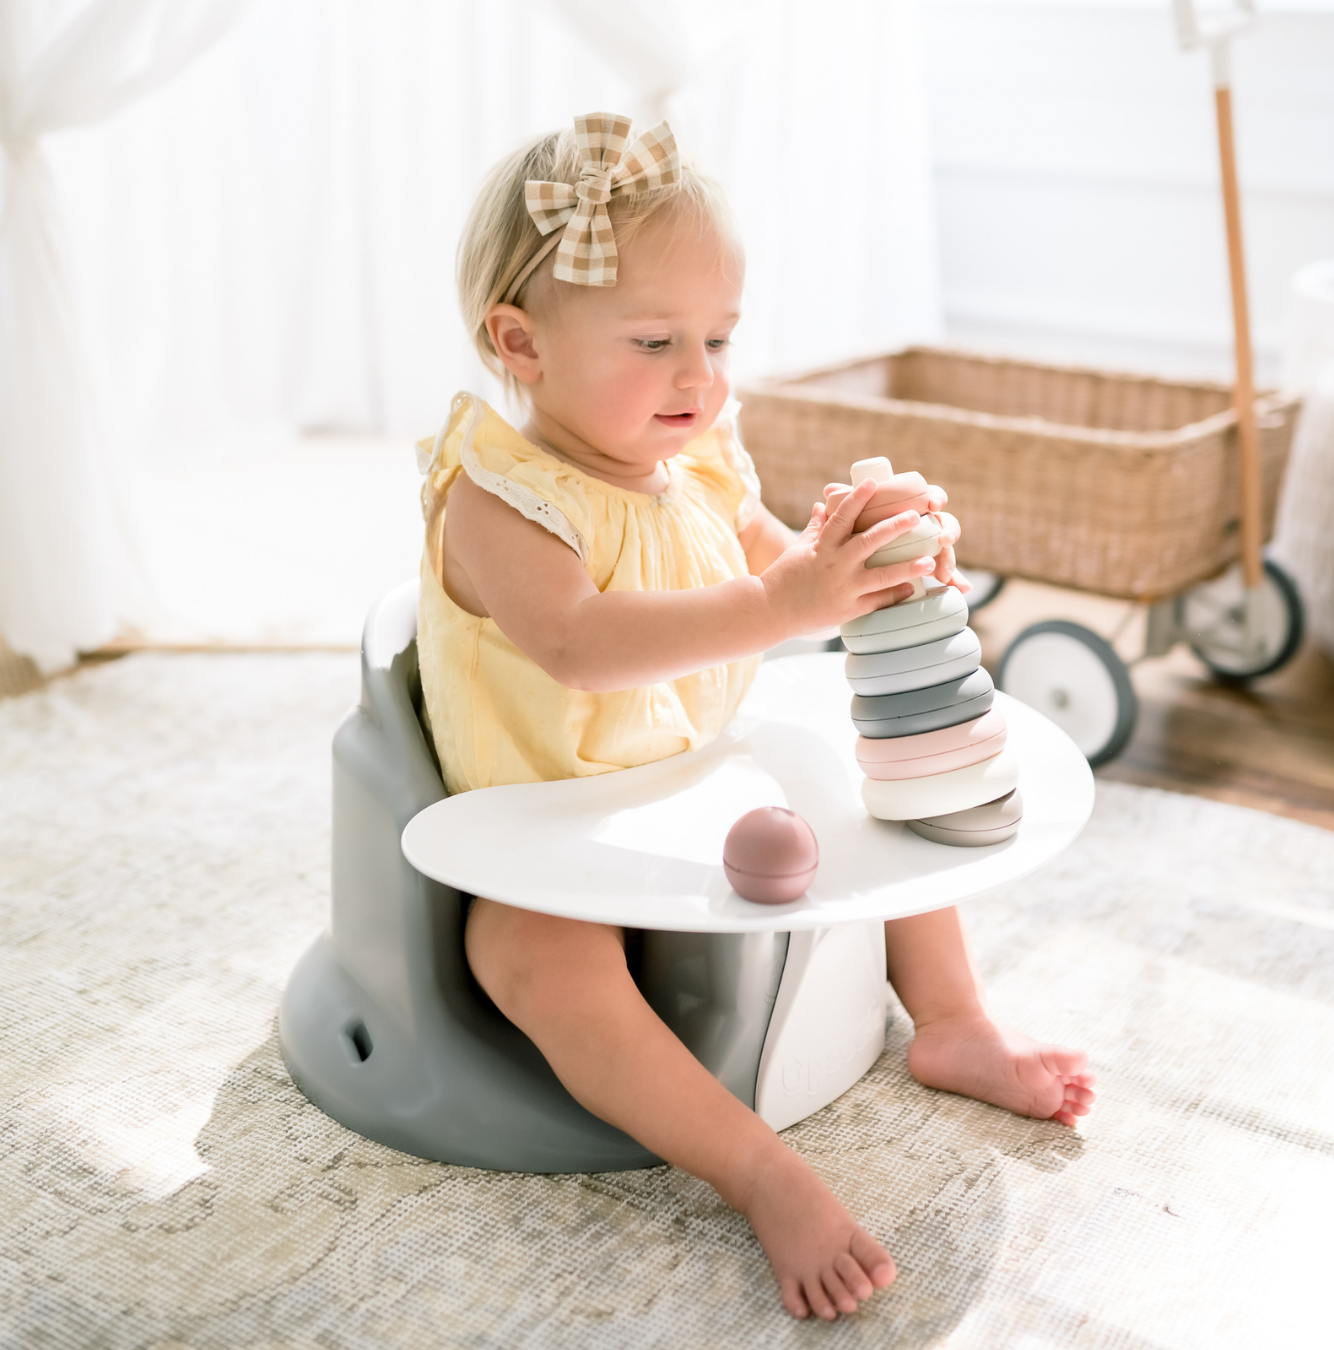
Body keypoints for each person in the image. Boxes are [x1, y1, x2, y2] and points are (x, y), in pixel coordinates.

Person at [416, 113, 1095, 1322]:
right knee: (527, 959)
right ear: (520, 344)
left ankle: (954, 1022)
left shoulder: (701, 462)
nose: (700, 376)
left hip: (697, 767)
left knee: (880, 785)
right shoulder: (502, 497)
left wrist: (865, 564)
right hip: (543, 813)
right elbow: (578, 647)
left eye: (719, 338)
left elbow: (780, 569)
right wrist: (784, 602)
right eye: (655, 341)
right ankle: (757, 1169)